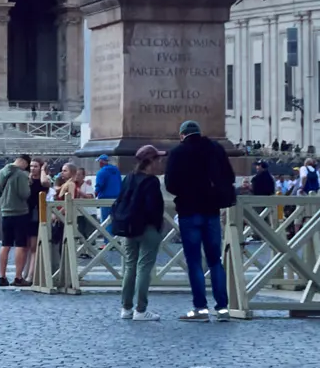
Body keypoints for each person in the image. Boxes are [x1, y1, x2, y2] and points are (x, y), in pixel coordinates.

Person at [163, 120, 236, 322]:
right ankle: (223, 309)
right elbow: (229, 176)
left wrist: (185, 193)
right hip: (212, 210)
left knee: (194, 262)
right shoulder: (216, 149)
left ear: (182, 135)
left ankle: (200, 308)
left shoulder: (178, 152)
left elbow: (170, 184)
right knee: (215, 261)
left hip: (189, 210)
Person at [108, 144, 166, 321]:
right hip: (147, 227)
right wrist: (158, 225)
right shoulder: (151, 181)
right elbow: (153, 207)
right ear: (151, 161)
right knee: (144, 267)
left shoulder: (129, 178)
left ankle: (126, 308)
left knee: (130, 266)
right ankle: (141, 310)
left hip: (128, 227)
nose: (161, 161)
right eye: (158, 158)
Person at [0, 155, 34, 287]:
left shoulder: (1, 172)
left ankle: (2, 276)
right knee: (20, 245)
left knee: (5, 245)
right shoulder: (21, 175)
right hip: (19, 212)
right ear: (23, 163)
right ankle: (18, 277)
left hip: (5, 211)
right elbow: (24, 194)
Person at [93, 154, 122, 220]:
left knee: (105, 220)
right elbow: (120, 183)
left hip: (105, 199)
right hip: (117, 199)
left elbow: (99, 186)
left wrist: (94, 195)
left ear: (101, 162)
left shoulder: (101, 172)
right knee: (114, 220)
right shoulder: (116, 171)